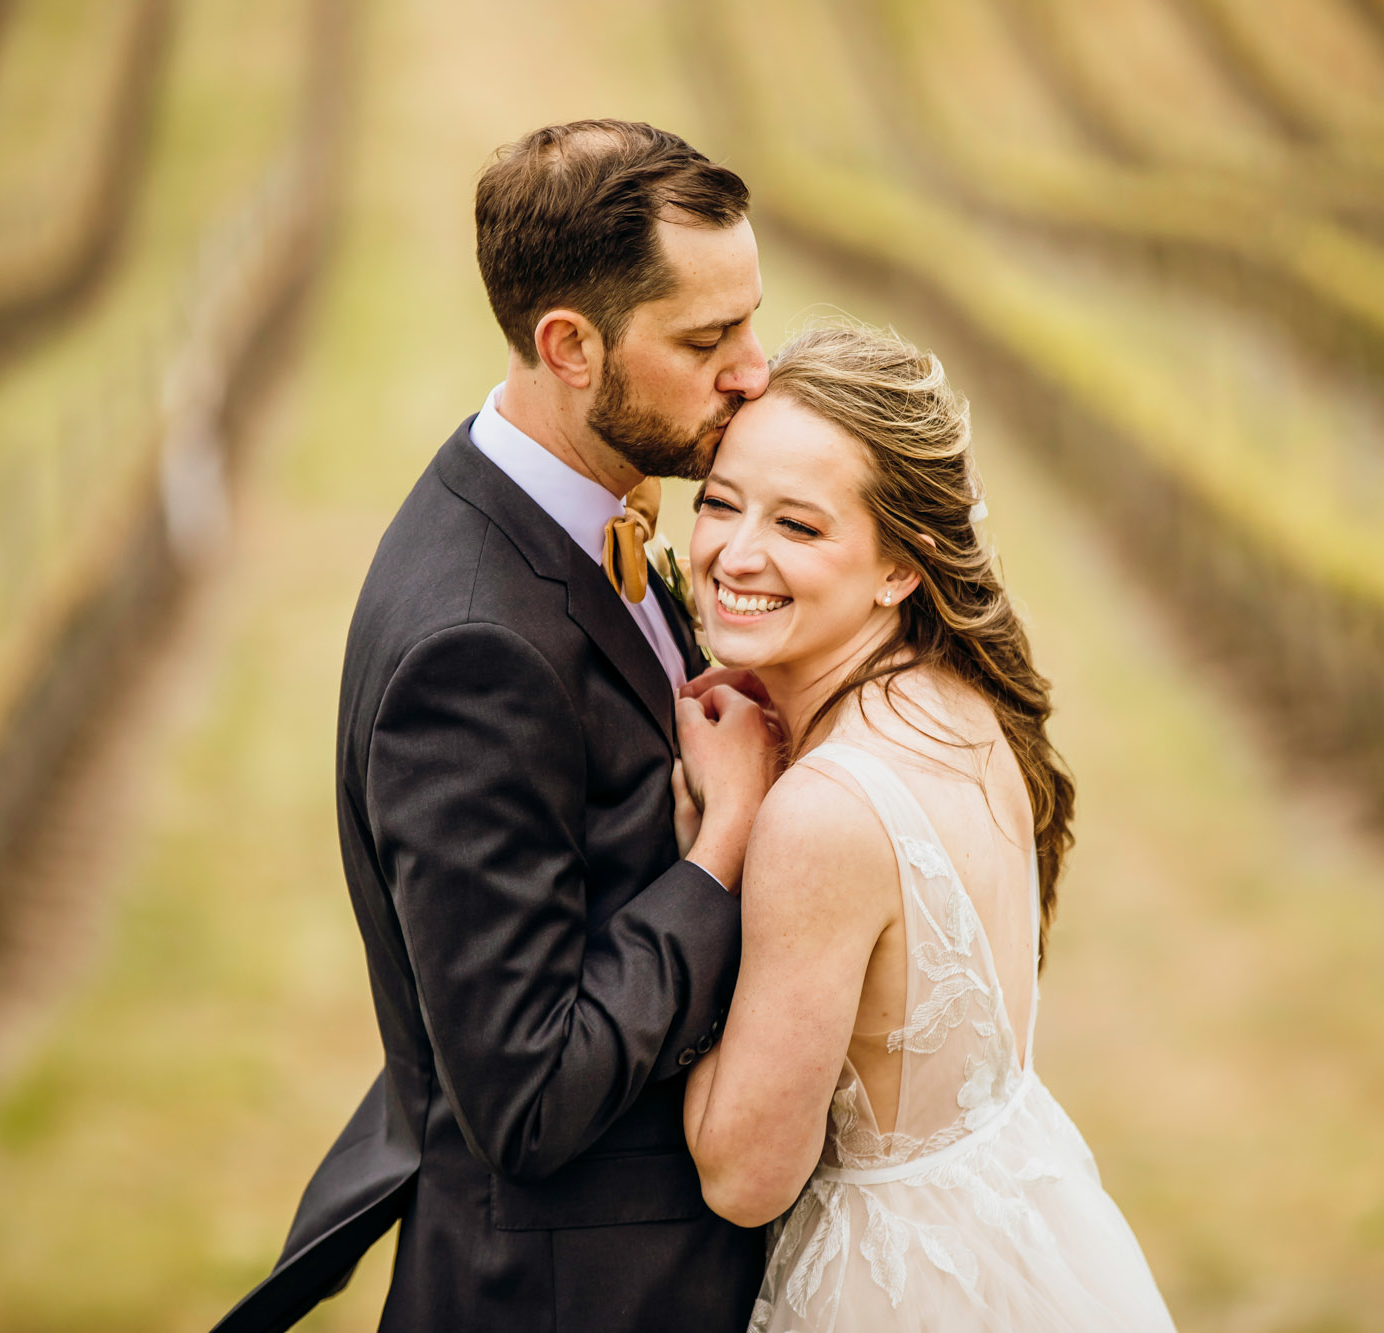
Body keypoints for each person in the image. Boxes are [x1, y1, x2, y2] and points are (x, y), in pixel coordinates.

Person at [212, 119, 781, 1333]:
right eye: (706, 339)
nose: (754, 369)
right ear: (567, 346)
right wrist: (722, 843)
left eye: (748, 321)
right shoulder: (472, 648)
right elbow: (527, 1095)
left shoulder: (574, 503)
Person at [676, 324, 1180, 1330]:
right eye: (720, 503)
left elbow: (742, 1176)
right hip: (1019, 1231)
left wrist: (722, 830)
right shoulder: (960, 702)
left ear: (900, 568)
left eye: (799, 527)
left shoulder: (819, 814)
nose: (736, 552)